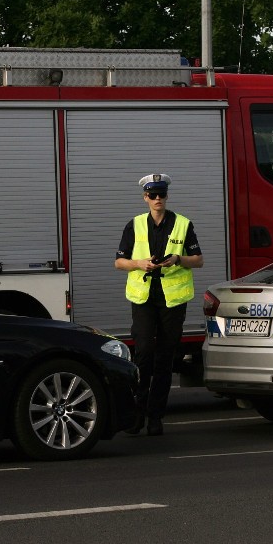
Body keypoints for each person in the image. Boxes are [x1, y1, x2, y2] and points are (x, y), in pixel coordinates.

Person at [114, 173, 203, 436]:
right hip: (144, 297)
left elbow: (198, 260)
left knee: (165, 358)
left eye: (161, 195)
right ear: (145, 198)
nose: (157, 199)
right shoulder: (135, 225)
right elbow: (119, 262)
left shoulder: (183, 224)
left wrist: (178, 259)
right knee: (143, 354)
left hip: (172, 299)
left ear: (166, 196)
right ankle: (137, 414)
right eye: (152, 195)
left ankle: (156, 417)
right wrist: (140, 263)